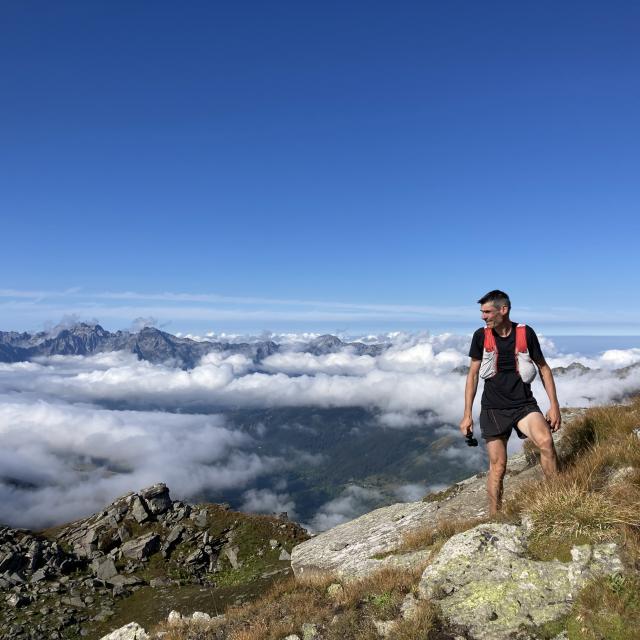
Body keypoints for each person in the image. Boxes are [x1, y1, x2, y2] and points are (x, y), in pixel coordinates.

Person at [459, 290, 561, 514]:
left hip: (524, 405)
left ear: (503, 310)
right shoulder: (480, 336)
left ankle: (557, 500)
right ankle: (495, 517)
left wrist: (554, 406)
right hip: (493, 409)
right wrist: (467, 414)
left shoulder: (526, 333)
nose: (483, 317)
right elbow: (473, 375)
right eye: (482, 312)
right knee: (498, 466)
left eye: (487, 312)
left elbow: (543, 368)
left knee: (546, 442)